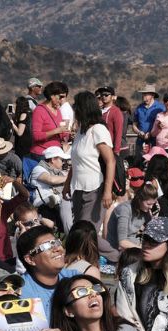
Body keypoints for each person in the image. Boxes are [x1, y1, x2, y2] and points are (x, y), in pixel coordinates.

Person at [64, 91, 115, 231]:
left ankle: (114, 253)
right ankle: (114, 253)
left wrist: (107, 192)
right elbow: (75, 162)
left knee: (86, 233)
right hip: (78, 189)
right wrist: (67, 184)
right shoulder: (80, 131)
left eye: (77, 106)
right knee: (80, 233)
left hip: (95, 189)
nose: (75, 109)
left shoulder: (98, 130)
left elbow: (110, 161)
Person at [17, 226, 80, 317]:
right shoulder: (22, 293)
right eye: (46, 246)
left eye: (56, 242)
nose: (57, 249)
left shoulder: (75, 278)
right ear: (31, 259)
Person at [107, 183, 157, 251]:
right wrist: (144, 250)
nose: (151, 207)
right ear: (139, 199)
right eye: (148, 204)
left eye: (153, 204)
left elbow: (153, 230)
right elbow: (122, 243)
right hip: (116, 249)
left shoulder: (145, 210)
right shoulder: (124, 209)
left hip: (133, 245)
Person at [28, 145, 70, 229]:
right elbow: (51, 180)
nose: (63, 162)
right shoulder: (38, 169)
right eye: (62, 160)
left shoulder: (58, 172)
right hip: (42, 203)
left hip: (56, 203)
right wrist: (69, 177)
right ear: (53, 159)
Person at [29, 81, 69, 160]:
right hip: (42, 155)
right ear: (52, 95)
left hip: (55, 154)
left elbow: (60, 133)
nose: (62, 100)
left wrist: (67, 134)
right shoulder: (39, 110)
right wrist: (56, 131)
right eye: (60, 97)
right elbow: (36, 136)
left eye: (64, 97)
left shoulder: (58, 110)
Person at [131, 85, 165, 156]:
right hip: (140, 142)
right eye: (143, 94)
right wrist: (139, 132)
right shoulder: (139, 108)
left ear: (152, 95)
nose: (144, 96)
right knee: (139, 163)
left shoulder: (160, 108)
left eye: (146, 94)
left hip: (155, 142)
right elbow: (134, 125)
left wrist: (151, 133)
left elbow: (163, 125)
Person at [96, 86, 124, 156]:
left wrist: (116, 150)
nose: (104, 97)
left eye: (106, 95)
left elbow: (118, 132)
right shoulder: (98, 111)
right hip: (97, 147)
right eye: (102, 95)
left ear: (112, 97)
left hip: (109, 148)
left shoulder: (116, 112)